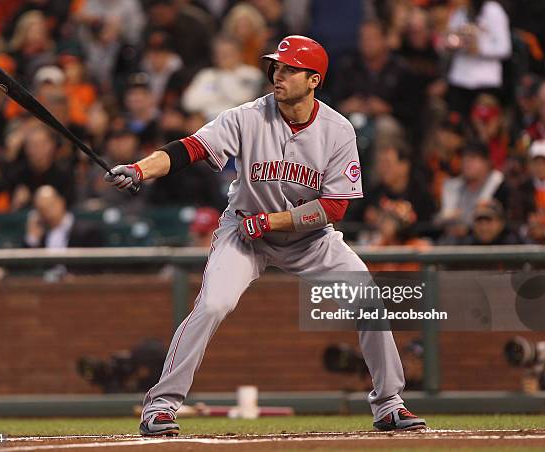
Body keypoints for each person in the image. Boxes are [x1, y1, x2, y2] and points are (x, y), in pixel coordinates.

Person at [105, 35, 426, 435]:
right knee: (213, 305)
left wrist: (273, 222)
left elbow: (335, 207)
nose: (278, 74)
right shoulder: (247, 116)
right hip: (244, 232)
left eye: (290, 68)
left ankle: (389, 404)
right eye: (277, 66)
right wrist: (140, 169)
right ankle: (161, 406)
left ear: (314, 80)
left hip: (310, 239)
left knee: (367, 297)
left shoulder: (338, 130)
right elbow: (189, 148)